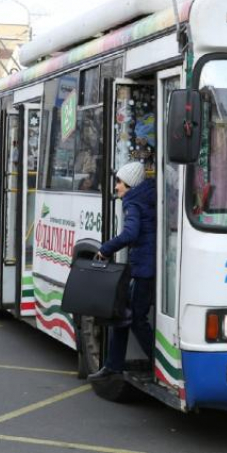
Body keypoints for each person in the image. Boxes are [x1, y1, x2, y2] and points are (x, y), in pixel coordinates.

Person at [88, 161, 155, 381]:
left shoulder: (133, 202)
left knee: (136, 319)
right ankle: (113, 365)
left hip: (143, 270)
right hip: (143, 266)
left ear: (130, 184)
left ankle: (157, 364)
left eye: (119, 182)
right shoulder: (146, 197)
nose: (116, 187)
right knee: (123, 316)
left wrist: (105, 249)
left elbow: (130, 234)